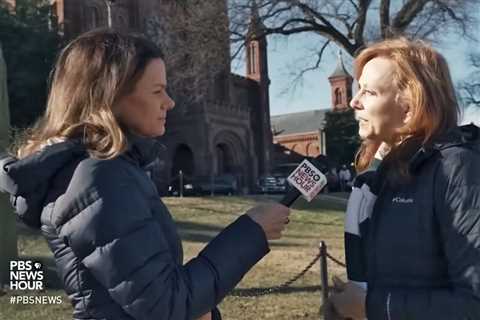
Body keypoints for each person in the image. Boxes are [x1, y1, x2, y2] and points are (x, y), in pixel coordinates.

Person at [0, 29, 291, 320]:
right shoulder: (98, 179)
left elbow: (152, 291)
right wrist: (252, 231)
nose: (170, 102)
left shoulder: (109, 171)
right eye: (157, 91)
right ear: (110, 96)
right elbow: (166, 306)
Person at [326, 37, 480, 320]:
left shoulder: (457, 169)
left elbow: (474, 305)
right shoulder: (379, 172)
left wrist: (370, 307)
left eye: (369, 92)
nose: (353, 101)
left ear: (409, 108)